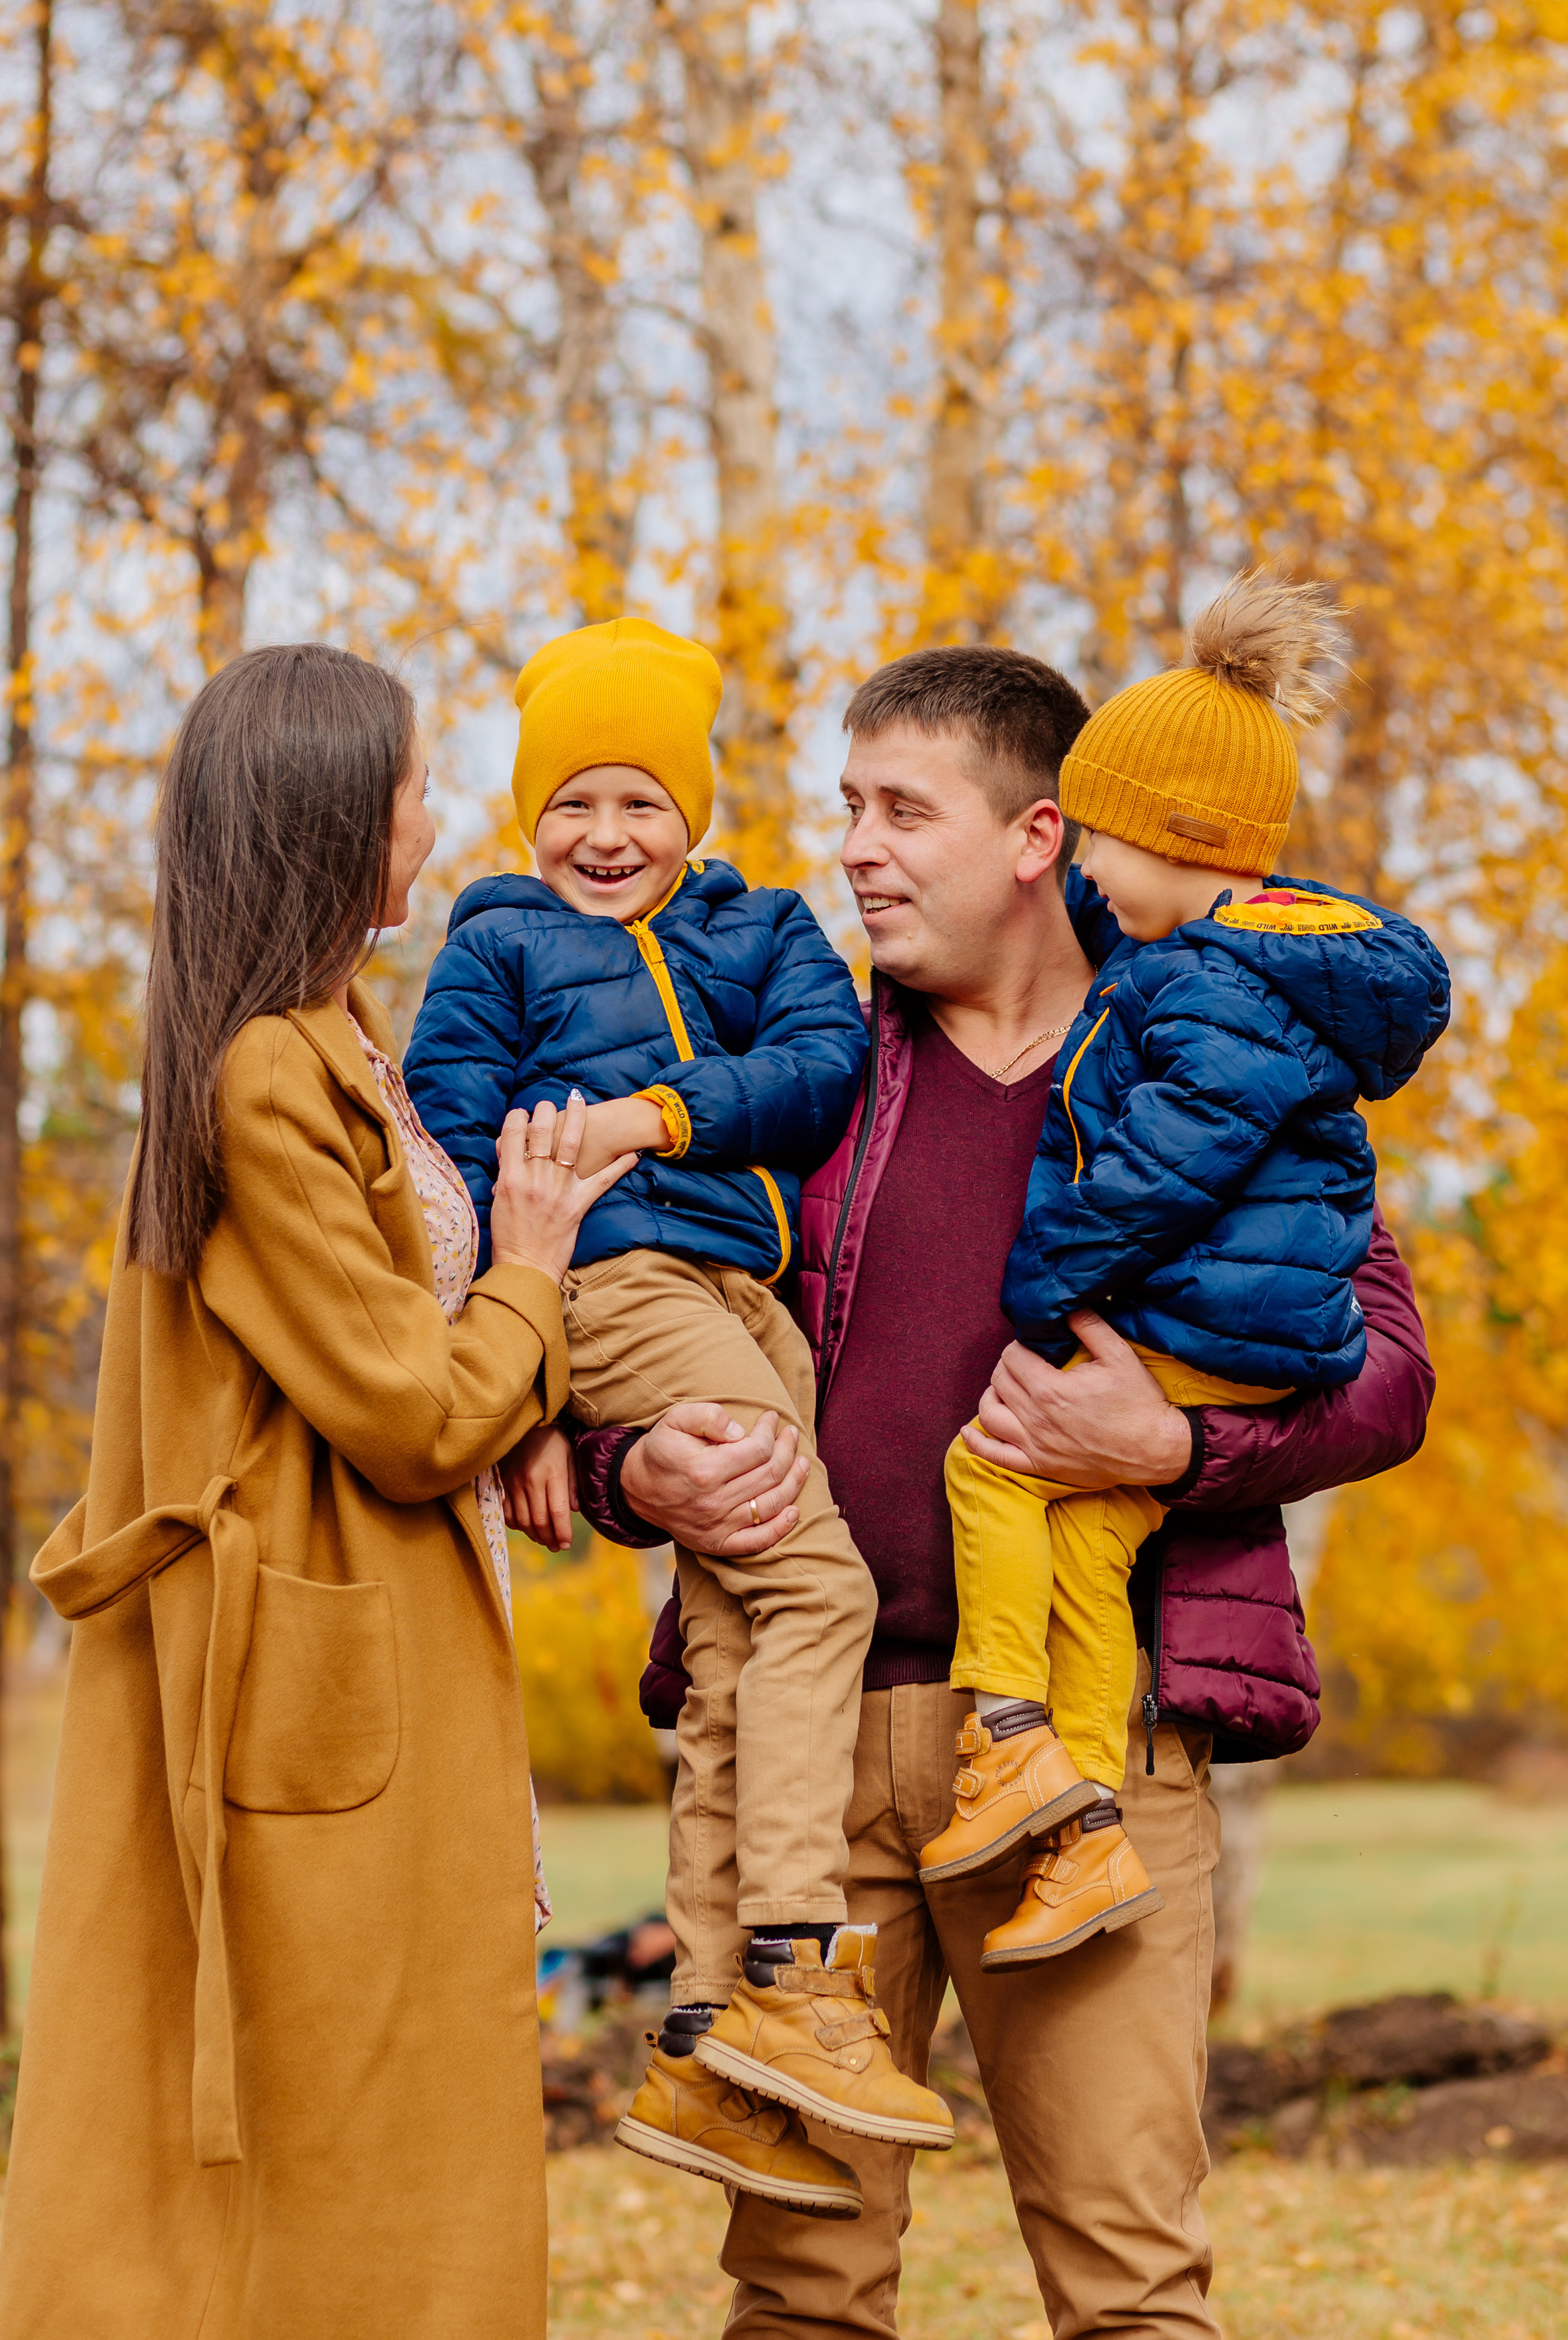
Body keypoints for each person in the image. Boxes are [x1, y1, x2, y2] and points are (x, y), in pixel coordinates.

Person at [560, 641, 1434, 2339]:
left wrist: (1172, 1450)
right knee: (796, 2290)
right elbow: (633, 1314)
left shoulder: (1216, 1046)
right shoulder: (798, 1068)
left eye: (901, 812)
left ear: (1039, 835)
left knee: (1125, 2284)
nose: (857, 852)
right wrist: (625, 1464)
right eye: (844, 812)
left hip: (1078, 1770)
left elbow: (1382, 1373)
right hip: (803, 1766)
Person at [0, 646, 635, 2340]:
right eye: (420, 782)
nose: (440, 813)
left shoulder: (335, 1034)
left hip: (362, 1635)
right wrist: (534, 1271)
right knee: (330, 2114)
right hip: (298, 1652)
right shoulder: (259, 1069)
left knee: (368, 2098)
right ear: (340, 815)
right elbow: (410, 1413)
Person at [403, 616, 953, 2217]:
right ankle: (792, 1958)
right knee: (817, 1587)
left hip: (745, 1307)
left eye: (640, 803)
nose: (604, 838)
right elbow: (448, 1155)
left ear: (694, 813)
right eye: (571, 804)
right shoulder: (493, 945)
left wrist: (653, 1112)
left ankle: (709, 2033)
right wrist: (511, 1395)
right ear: (526, 819)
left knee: (732, 1637)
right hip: (617, 1285)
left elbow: (819, 1071)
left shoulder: (766, 925)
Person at [920, 577, 1450, 1967]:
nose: (1080, 870)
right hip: (1232, 1322)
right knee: (1089, 1546)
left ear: (1175, 836)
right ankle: (1078, 1823)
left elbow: (1163, 1167)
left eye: (1095, 836)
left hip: (1205, 1331)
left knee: (990, 1469)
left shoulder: (1210, 985)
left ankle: (1010, 1734)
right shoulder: (1263, 968)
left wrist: (1040, 1288)